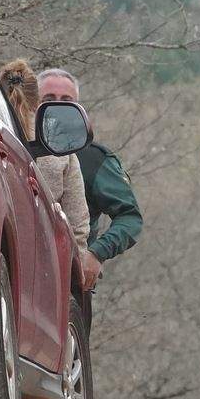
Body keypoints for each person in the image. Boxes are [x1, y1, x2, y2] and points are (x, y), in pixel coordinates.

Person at [38, 68, 142, 294]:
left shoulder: (95, 159)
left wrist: (96, 253)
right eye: (48, 100)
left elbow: (130, 217)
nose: (58, 106)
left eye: (67, 100)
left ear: (79, 109)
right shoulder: (15, 146)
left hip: (71, 282)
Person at [0, 60, 91, 254]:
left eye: (66, 100)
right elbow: (77, 222)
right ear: (36, 98)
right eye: (50, 98)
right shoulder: (61, 146)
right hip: (43, 257)